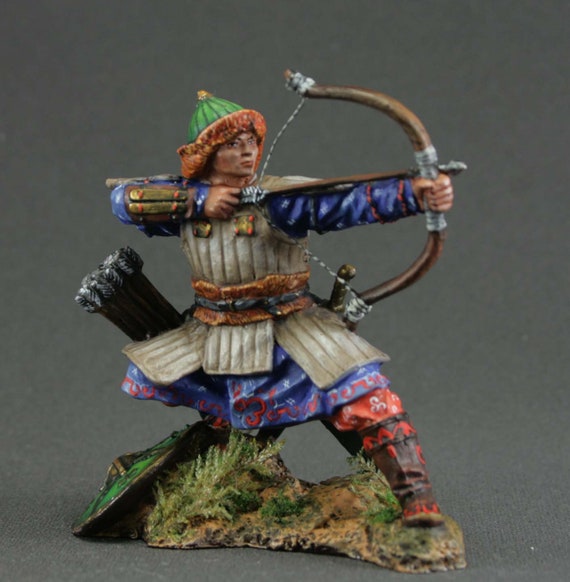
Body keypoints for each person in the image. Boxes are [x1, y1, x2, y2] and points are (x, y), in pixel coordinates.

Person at [111, 91, 454, 527]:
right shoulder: (185, 201)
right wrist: (200, 203)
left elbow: (343, 202)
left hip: (291, 327)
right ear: (207, 155)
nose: (248, 151)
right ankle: (225, 473)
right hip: (212, 334)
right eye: (233, 144)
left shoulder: (278, 200)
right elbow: (123, 200)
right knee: (220, 410)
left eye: (251, 142)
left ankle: (418, 502)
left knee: (369, 394)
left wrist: (414, 194)